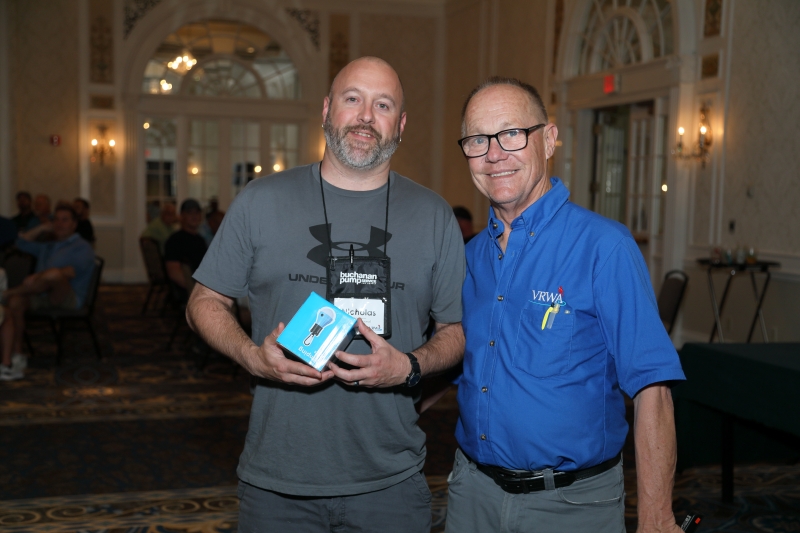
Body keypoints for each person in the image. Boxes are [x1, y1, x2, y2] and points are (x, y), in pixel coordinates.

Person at [186, 56, 465, 533]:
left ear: (400, 125)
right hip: (277, 483)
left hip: (390, 485)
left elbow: (456, 331)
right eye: (352, 99)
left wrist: (408, 366)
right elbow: (203, 303)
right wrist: (252, 357)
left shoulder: (434, 215)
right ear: (326, 109)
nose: (365, 116)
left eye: (382, 105)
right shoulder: (261, 200)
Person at [446, 77, 686, 533]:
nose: (494, 154)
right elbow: (458, 363)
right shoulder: (470, 256)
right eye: (478, 139)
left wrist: (656, 518)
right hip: (471, 496)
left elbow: (652, 389)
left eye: (512, 133)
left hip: (570, 506)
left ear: (549, 139)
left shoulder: (604, 247)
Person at [1, 204, 95, 381]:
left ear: (74, 224)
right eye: (56, 220)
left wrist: (39, 275)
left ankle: (4, 293)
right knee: (15, 302)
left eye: (65, 220)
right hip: (42, 295)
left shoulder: (82, 247)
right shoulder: (49, 245)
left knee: (53, 275)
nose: (59, 224)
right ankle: (18, 354)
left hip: (68, 297)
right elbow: (19, 242)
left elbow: (68, 273)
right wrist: (42, 228)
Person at [163, 199, 207, 303]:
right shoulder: (175, 241)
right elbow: (174, 272)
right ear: (182, 216)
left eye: (197, 213)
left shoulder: (200, 240)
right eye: (190, 213)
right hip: (192, 292)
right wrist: (196, 289)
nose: (194, 216)